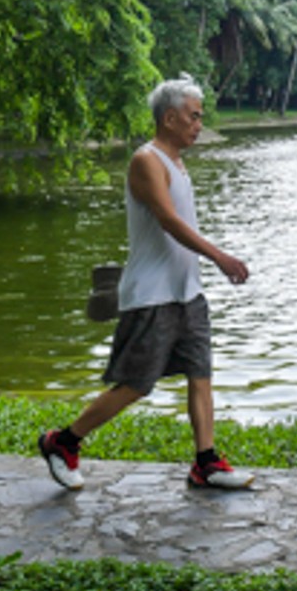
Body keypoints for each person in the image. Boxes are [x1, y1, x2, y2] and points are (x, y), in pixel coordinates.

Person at [38, 77, 253, 492]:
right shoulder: (147, 161)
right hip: (153, 294)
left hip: (187, 292)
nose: (198, 124)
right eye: (193, 117)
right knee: (136, 384)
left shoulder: (176, 161)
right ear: (169, 118)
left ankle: (205, 463)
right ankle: (62, 442)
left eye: (200, 117)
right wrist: (220, 257)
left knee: (200, 373)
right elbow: (169, 221)